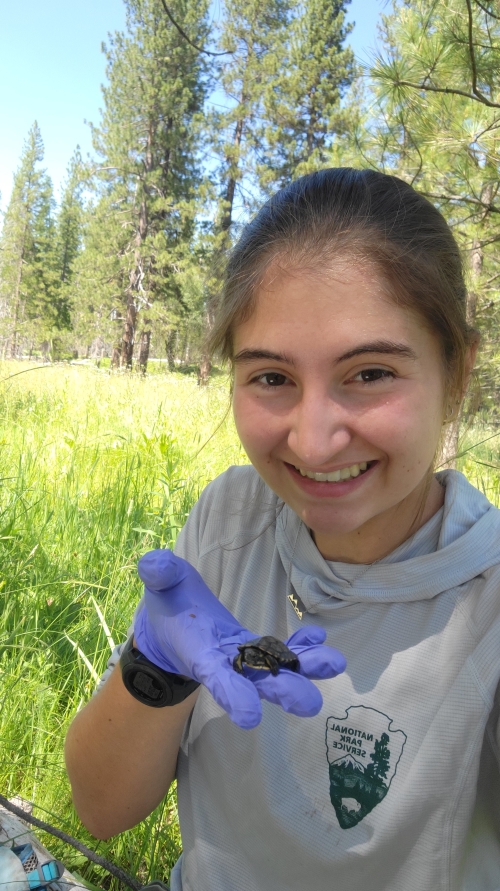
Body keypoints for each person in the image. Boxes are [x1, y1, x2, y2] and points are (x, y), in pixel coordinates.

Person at [65, 168, 500, 891]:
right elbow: (103, 807)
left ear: (456, 375)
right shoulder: (234, 517)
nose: (314, 439)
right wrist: (153, 664)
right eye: (271, 377)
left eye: (369, 373)